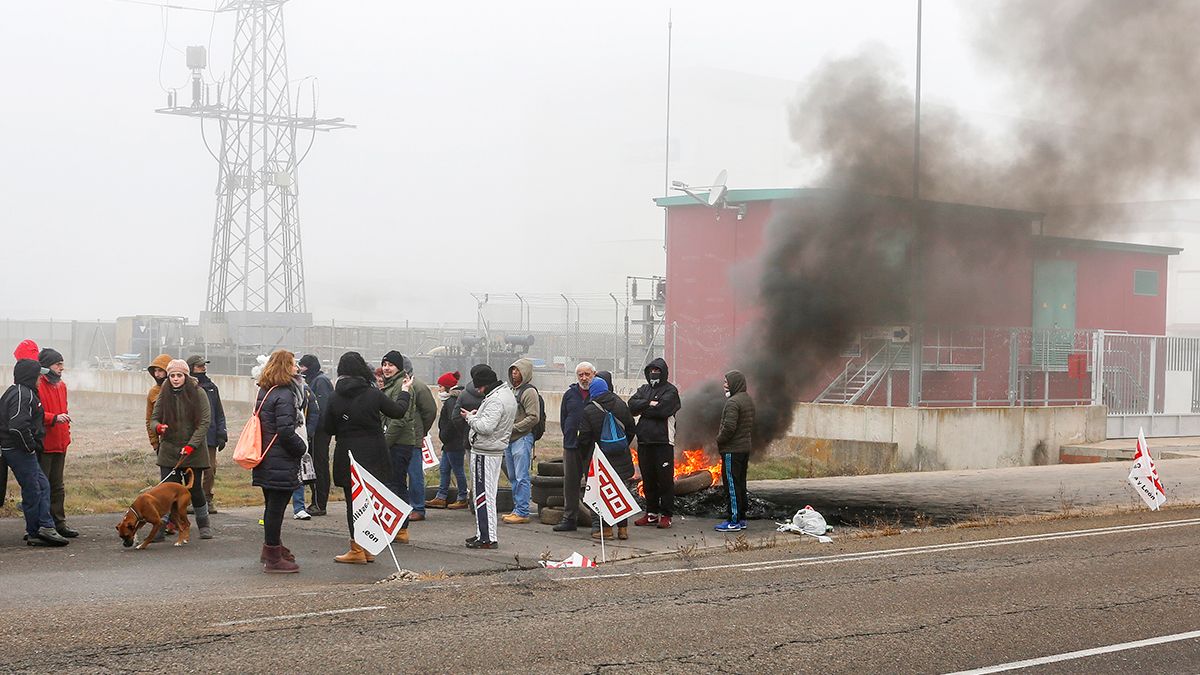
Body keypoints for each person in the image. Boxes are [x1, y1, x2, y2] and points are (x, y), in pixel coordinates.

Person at [321, 352, 411, 563]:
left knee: (353, 503)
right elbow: (398, 411)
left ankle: (356, 548)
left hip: (348, 452)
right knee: (372, 501)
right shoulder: (373, 394)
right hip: (375, 451)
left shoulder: (335, 396)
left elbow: (327, 427)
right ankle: (369, 548)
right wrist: (405, 391)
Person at [252, 350, 311, 573]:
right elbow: (286, 431)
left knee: (271, 507)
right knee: (276, 509)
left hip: (266, 457)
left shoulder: (266, 391)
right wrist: (302, 448)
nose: (297, 368)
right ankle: (273, 557)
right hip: (280, 459)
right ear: (286, 367)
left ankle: (272, 548)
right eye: (294, 364)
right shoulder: (285, 394)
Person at [1, 358, 68, 546]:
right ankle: (40, 530)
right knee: (35, 488)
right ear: (30, 376)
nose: (41, 379)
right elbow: (17, 427)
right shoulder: (24, 395)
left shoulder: (20, 392)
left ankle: (39, 529)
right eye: (39, 375)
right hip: (18, 450)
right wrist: (30, 446)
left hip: (17, 449)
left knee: (41, 486)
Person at [150, 359, 213, 539]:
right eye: (172, 376)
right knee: (167, 491)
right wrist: (158, 427)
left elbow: (204, 422)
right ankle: (160, 527)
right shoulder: (164, 392)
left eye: (179, 375)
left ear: (186, 376)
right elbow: (154, 418)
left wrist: (191, 445)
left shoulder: (198, 392)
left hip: (193, 451)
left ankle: (203, 524)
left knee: (195, 490)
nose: (175, 379)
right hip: (170, 450)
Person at [461, 364, 516, 550]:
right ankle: (483, 533)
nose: (477, 390)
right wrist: (479, 415)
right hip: (492, 450)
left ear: (486, 384)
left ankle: (487, 537)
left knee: (483, 495)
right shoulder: (504, 394)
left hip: (485, 452)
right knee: (486, 494)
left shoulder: (495, 400)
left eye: (479, 386)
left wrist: (470, 418)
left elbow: (486, 427)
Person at [577, 376, 636, 540]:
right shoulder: (620, 404)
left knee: (604, 494)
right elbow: (631, 428)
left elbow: (584, 438)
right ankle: (623, 530)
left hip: (600, 459)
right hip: (622, 457)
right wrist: (622, 444)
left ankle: (607, 530)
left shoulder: (589, 409)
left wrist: (584, 454)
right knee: (621, 493)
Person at [628, 357, 682, 529]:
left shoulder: (671, 391)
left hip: (663, 442)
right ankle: (651, 513)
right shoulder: (643, 389)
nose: (654, 374)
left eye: (657, 371)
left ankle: (666, 514)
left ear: (663, 372)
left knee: (665, 480)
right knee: (648, 479)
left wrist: (646, 408)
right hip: (644, 442)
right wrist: (649, 404)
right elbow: (632, 406)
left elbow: (664, 410)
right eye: (651, 370)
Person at [34, 348, 77, 538]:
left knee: (58, 485)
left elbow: (64, 411)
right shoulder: (38, 385)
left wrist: (66, 435)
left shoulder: (62, 386)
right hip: (44, 443)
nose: (61, 368)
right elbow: (35, 414)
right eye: (58, 364)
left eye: (62, 364)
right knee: (42, 486)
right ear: (46, 366)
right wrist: (54, 418)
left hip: (60, 442)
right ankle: (42, 524)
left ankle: (60, 523)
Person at [554, 361, 596, 532]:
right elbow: (564, 418)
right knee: (570, 483)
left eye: (587, 374)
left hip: (592, 448)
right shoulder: (570, 394)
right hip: (572, 446)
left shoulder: (598, 393)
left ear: (594, 374)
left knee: (594, 484)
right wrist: (570, 435)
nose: (584, 378)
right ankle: (569, 518)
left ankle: (597, 522)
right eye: (580, 374)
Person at [397, 355, 436, 521]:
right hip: (398, 436)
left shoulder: (418, 387)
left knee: (414, 474)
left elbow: (430, 411)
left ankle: (418, 508)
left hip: (412, 437)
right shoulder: (396, 385)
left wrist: (421, 431)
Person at [715, 370, 755, 533]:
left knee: (731, 484)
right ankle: (741, 518)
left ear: (734, 383)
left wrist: (719, 439)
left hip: (732, 449)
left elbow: (729, 427)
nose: (724, 385)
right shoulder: (747, 400)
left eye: (726, 382)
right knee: (740, 484)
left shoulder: (733, 402)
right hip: (744, 448)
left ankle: (733, 520)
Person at [187, 355, 227, 513]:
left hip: (209, 436)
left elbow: (219, 412)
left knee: (210, 470)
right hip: (191, 436)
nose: (203, 368)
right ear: (191, 368)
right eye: (199, 366)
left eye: (204, 365)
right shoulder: (186, 387)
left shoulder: (211, 387)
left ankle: (207, 499)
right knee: (191, 471)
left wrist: (221, 433)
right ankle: (191, 500)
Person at [501, 358, 539, 525]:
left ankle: (523, 511)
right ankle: (517, 509)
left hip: (522, 439)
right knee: (513, 476)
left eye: (517, 370)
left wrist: (513, 428)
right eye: (512, 370)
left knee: (522, 476)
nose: (514, 373)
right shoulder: (511, 390)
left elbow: (533, 417)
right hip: (510, 440)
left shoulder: (529, 392)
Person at [427, 371, 468, 509]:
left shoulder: (451, 402)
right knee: (444, 469)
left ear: (446, 387)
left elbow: (452, 422)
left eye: (440, 386)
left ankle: (462, 497)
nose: (439, 389)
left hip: (453, 443)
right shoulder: (453, 400)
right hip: (450, 443)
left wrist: (444, 435)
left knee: (457, 470)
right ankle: (441, 496)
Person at [299, 354, 333, 516]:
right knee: (313, 466)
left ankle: (320, 503)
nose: (301, 369)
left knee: (319, 466)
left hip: (320, 432)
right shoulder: (313, 381)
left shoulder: (320, 381)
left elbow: (322, 410)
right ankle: (316, 501)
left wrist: (313, 430)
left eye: (304, 366)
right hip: (314, 431)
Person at [290, 369, 320, 521]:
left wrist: (308, 433)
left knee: (298, 472)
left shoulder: (306, 390)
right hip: (279, 437)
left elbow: (314, 412)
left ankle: (299, 507)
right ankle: (273, 509)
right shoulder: (275, 390)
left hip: (300, 436)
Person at [144, 353, 173, 455]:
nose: (157, 374)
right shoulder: (153, 392)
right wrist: (155, 443)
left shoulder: (180, 389)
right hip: (163, 439)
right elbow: (149, 419)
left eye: (160, 370)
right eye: (155, 371)